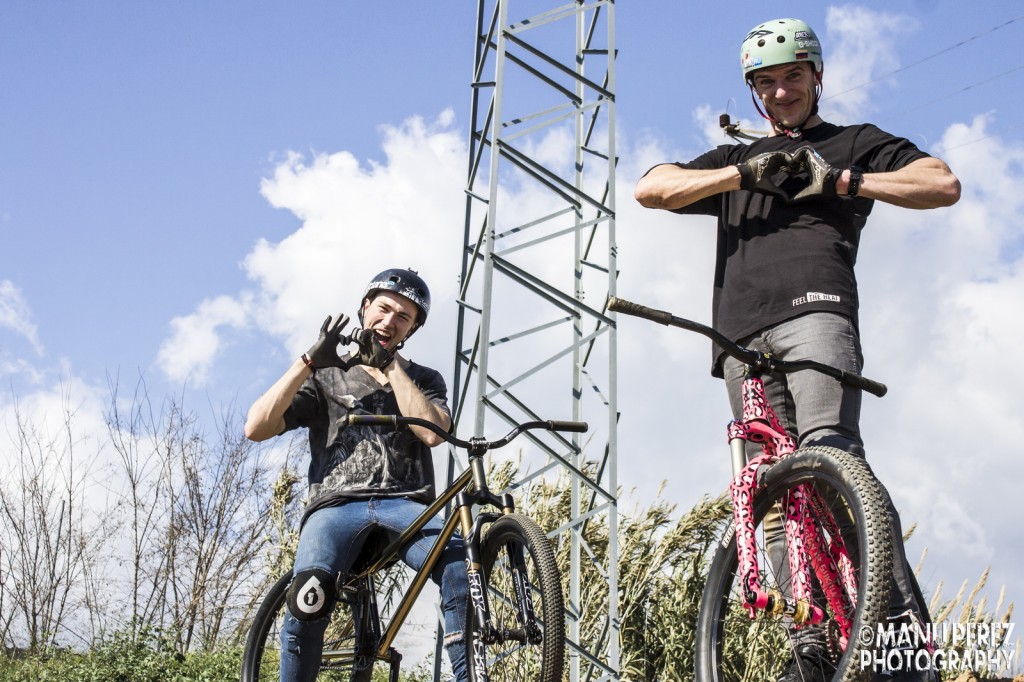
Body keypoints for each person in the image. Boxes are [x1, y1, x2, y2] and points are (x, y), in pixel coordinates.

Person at [634, 17, 960, 682]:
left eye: (792, 78)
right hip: (738, 337)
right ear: (753, 92)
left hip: (817, 312)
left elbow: (940, 184)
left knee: (831, 456)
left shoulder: (853, 141)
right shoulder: (738, 161)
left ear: (816, 76)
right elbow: (652, 187)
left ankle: (897, 634)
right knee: (771, 498)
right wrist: (739, 174)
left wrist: (842, 181)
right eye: (766, 83)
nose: (781, 93)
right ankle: (809, 643)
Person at [244, 268, 468, 682]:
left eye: (404, 317)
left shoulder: (423, 379)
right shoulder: (327, 375)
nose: (390, 321)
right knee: (310, 595)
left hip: (407, 506)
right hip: (336, 505)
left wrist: (392, 367)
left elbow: (432, 433)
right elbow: (255, 427)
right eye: (384, 308)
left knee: (459, 565)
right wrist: (308, 361)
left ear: (411, 329)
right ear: (365, 308)